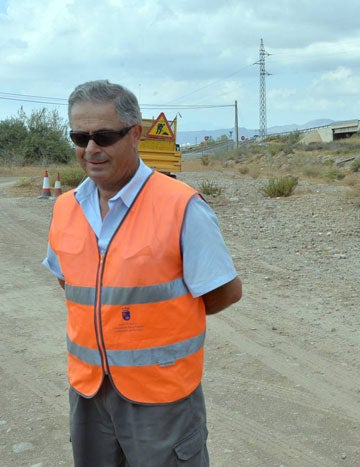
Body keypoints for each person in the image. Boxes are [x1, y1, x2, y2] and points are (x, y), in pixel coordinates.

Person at [43, 80, 242, 466]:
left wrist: (164, 321)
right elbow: (69, 280)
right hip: (89, 391)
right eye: (79, 137)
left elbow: (223, 292)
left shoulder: (180, 205)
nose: (90, 149)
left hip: (162, 394)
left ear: (135, 135)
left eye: (103, 135)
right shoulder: (66, 207)